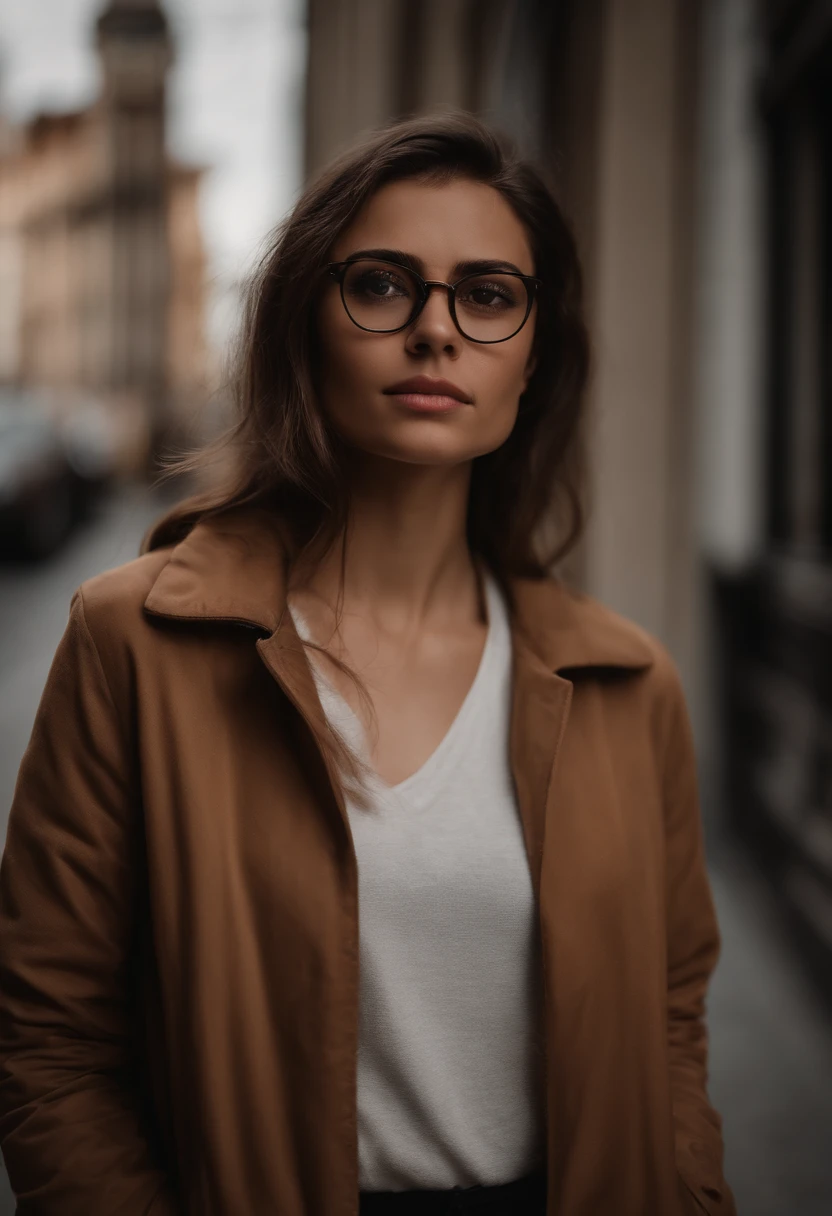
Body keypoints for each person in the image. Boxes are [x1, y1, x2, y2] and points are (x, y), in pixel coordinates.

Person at [0, 111, 736, 1216]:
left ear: (533, 359)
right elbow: (48, 1042)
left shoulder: (627, 686)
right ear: (305, 328)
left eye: (488, 295)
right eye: (384, 285)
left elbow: (670, 1019)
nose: (436, 330)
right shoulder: (134, 644)